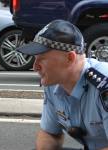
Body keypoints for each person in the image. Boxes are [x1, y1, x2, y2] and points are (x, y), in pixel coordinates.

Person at [17, 19, 108, 150]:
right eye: (35, 59)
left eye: (42, 58)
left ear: (69, 58)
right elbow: (50, 134)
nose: (35, 67)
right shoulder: (53, 82)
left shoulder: (103, 84)